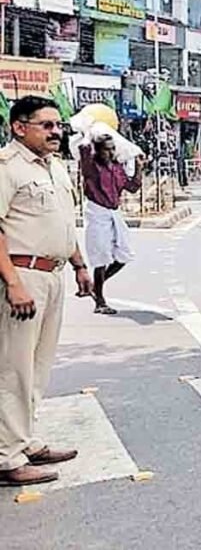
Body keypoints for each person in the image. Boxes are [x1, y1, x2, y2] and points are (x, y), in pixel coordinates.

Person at [0, 96, 95, 486]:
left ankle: (24, 440)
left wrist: (79, 263)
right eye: (47, 125)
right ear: (19, 127)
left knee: (38, 367)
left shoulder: (54, 167)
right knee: (14, 369)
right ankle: (6, 458)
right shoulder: (7, 167)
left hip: (52, 275)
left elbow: (62, 223)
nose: (56, 132)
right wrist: (13, 283)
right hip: (23, 277)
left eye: (59, 125)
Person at [80, 134, 143, 315]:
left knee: (124, 254)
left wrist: (139, 167)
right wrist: (88, 132)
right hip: (97, 213)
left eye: (112, 148)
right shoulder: (91, 167)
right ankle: (100, 301)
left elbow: (132, 187)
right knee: (101, 258)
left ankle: (95, 286)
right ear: (98, 150)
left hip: (114, 212)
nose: (110, 152)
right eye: (106, 149)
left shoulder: (116, 167)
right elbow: (84, 150)